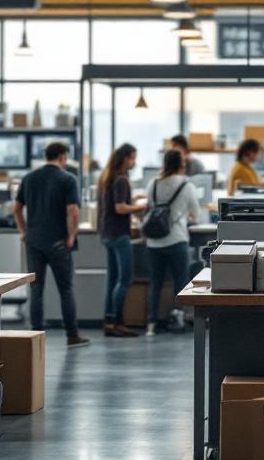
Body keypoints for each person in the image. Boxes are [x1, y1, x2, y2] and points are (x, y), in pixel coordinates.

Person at [14, 141, 88, 348]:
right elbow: (72, 210)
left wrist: (23, 232)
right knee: (66, 289)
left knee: (36, 290)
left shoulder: (29, 178)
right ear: (63, 156)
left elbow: (16, 208)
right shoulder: (68, 179)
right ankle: (72, 335)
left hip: (34, 241)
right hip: (59, 242)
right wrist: (72, 236)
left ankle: (35, 336)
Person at [144, 149, 202, 336]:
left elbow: (148, 207)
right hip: (176, 239)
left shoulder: (152, 183)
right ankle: (178, 319)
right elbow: (196, 213)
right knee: (180, 281)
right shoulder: (187, 186)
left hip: (154, 241)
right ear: (181, 165)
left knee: (156, 283)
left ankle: (151, 324)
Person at [98, 143, 145, 338]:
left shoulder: (107, 178)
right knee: (125, 279)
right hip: (118, 234)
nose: (134, 162)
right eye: (133, 158)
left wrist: (132, 202)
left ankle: (109, 322)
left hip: (106, 233)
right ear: (125, 158)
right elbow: (120, 208)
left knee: (112, 280)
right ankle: (115, 321)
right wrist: (141, 207)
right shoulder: (121, 180)